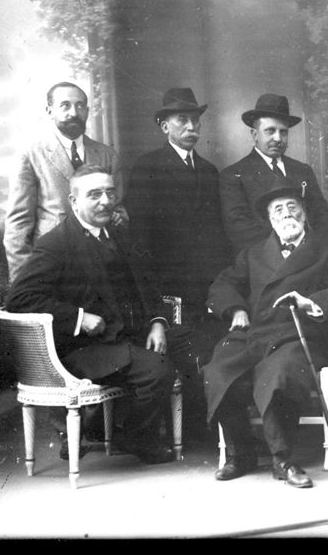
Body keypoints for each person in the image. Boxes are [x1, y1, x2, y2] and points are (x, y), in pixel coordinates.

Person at [4, 164, 176, 465]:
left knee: (193, 343)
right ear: (74, 201)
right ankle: (135, 436)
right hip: (84, 348)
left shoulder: (120, 235)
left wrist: (158, 323)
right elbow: (19, 298)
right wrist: (79, 317)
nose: (105, 201)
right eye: (94, 194)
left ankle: (197, 433)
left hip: (128, 334)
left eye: (110, 193)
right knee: (156, 368)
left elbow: (151, 286)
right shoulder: (55, 245)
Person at [203, 184, 328, 487]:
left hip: (300, 334)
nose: (287, 214)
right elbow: (222, 285)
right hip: (256, 334)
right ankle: (241, 452)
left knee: (278, 373)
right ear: (270, 220)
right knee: (218, 368)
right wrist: (235, 310)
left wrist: (308, 302)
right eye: (278, 210)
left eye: (292, 207)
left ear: (304, 212)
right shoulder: (254, 254)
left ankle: (283, 459)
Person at [126, 87, 232, 444]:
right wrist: (155, 290)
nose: (191, 127)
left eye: (195, 120)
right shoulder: (147, 167)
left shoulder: (209, 170)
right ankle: (178, 432)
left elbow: (218, 232)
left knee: (208, 349)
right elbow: (139, 239)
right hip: (167, 283)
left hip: (204, 282)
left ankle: (206, 427)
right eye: (182, 120)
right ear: (164, 126)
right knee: (178, 353)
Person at [5, 81, 127, 283]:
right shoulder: (31, 154)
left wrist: (118, 216)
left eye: (80, 106)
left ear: (87, 111)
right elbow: (18, 223)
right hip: (54, 264)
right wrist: (22, 281)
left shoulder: (107, 154)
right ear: (49, 110)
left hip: (102, 263)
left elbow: (120, 208)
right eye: (65, 105)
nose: (73, 112)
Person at [220, 93, 328, 253]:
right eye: (270, 131)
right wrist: (287, 246)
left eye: (283, 132)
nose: (278, 138)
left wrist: (308, 248)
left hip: (308, 255)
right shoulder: (233, 175)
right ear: (255, 135)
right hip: (262, 261)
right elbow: (239, 228)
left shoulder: (302, 170)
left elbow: (323, 216)